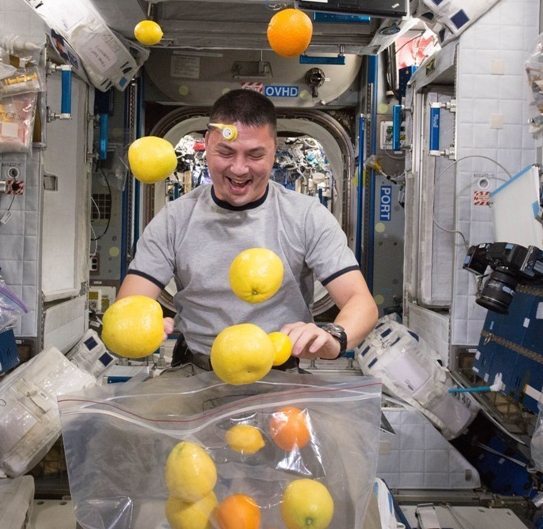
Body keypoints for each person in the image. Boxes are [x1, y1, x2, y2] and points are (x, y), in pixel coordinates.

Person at [116, 89, 378, 373]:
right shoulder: (174, 219)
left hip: (279, 374)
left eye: (255, 155)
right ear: (207, 143)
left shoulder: (306, 217)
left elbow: (361, 302)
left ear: (273, 151)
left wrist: (335, 338)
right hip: (196, 371)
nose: (239, 169)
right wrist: (140, 325)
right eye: (225, 152)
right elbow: (130, 303)